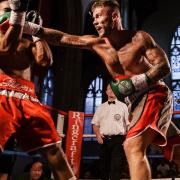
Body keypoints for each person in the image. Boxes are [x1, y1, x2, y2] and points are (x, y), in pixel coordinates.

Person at [23, 0, 179, 179]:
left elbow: (164, 67)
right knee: (175, 149)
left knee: (133, 146)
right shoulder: (97, 43)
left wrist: (135, 83)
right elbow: (61, 38)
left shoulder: (140, 38)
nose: (95, 21)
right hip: (134, 103)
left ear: (114, 16)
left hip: (154, 93)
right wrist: (30, 28)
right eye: (93, 18)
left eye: (98, 16)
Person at [0, 0, 76, 179]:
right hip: (2, 93)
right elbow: (5, 48)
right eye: (7, 10)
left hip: (28, 97)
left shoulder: (26, 41)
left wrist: (36, 33)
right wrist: (17, 15)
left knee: (55, 151)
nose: (10, 12)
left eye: (14, 10)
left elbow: (45, 61)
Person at [91, 84, 129, 180]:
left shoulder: (123, 106)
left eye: (113, 89)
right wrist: (98, 135)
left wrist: (126, 139)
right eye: (109, 89)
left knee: (116, 167)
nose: (111, 91)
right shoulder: (100, 107)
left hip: (118, 140)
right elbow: (95, 123)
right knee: (103, 167)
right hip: (104, 140)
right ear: (106, 91)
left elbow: (128, 124)